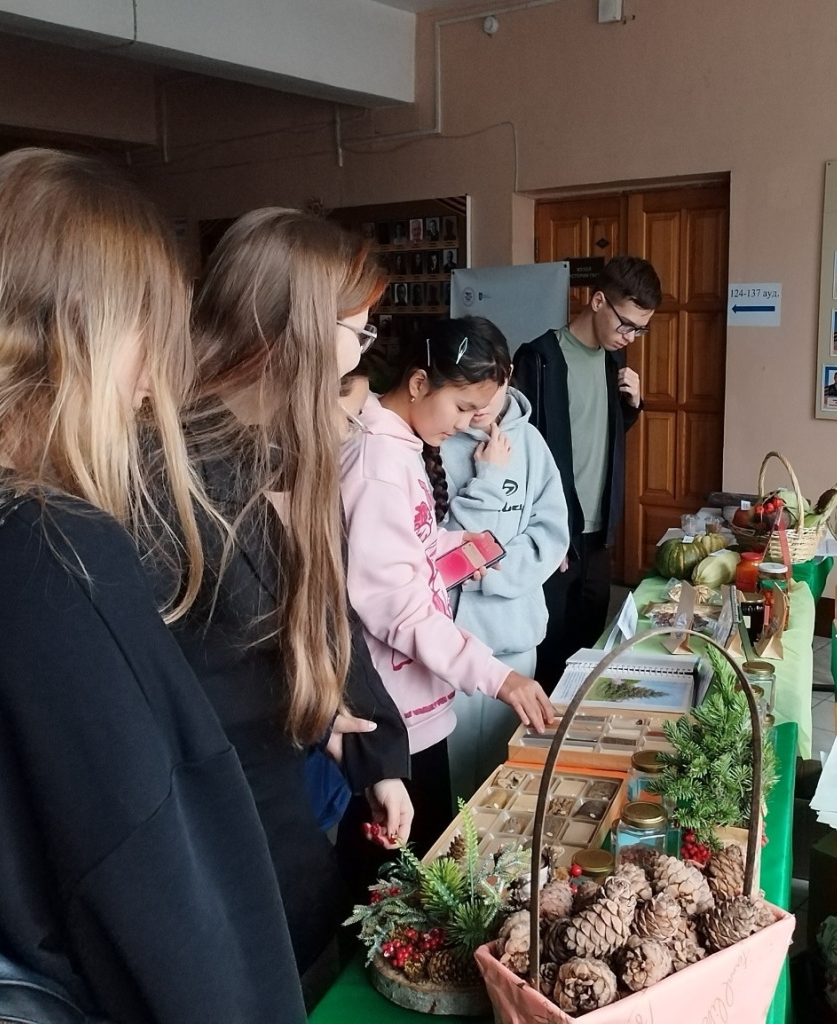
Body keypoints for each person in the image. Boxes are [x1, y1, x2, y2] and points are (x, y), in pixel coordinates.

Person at [0, 149, 304, 1021]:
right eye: (143, 337)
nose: (152, 383)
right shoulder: (46, 553)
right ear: (71, 336)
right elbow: (168, 907)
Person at [175, 209, 413, 981]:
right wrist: (303, 705)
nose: (361, 354)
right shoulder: (167, 472)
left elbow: (326, 613)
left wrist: (376, 757)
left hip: (288, 825)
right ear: (295, 329)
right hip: (218, 853)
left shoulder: (275, 450)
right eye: (357, 332)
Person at [342, 317, 557, 851]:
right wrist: (499, 677)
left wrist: (455, 545)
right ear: (419, 383)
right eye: (461, 407)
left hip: (411, 704)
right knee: (406, 868)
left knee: (428, 854)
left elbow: (407, 546)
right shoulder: (378, 462)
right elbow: (397, 606)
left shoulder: (398, 446)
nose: (466, 424)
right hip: (393, 709)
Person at [513, 256, 658, 685]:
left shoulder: (614, 363)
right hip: (554, 534)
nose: (629, 336)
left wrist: (633, 406)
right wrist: (539, 531)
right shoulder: (539, 359)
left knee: (589, 650)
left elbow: (597, 432)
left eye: (640, 329)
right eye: (626, 324)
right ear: (597, 301)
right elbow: (523, 451)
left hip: (598, 536)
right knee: (548, 651)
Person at [440, 372, 570, 799]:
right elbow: (440, 551)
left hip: (515, 631)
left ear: (507, 377)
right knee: (457, 785)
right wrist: (488, 480)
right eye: (467, 391)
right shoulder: (437, 438)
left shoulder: (529, 441)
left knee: (508, 771)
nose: (479, 403)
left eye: (489, 389)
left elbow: (550, 535)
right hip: (452, 643)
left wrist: (488, 573)